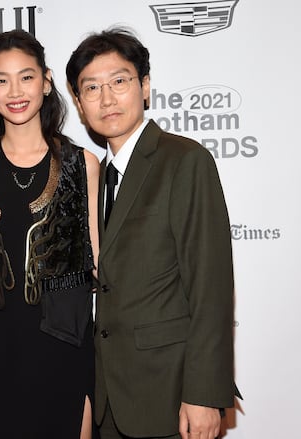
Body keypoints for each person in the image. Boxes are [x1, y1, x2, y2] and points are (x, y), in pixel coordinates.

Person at [66, 27, 240, 439]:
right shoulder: (95, 177)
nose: (107, 99)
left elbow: (210, 287)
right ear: (79, 102)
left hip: (171, 394)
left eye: (119, 81)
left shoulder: (184, 160)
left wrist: (204, 395)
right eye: (92, 88)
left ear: (144, 87)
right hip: (109, 397)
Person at [0, 30, 100, 439]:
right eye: (1, 80)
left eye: (26, 77)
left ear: (46, 81)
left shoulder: (81, 165)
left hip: (64, 354)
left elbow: (101, 265)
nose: (15, 91)